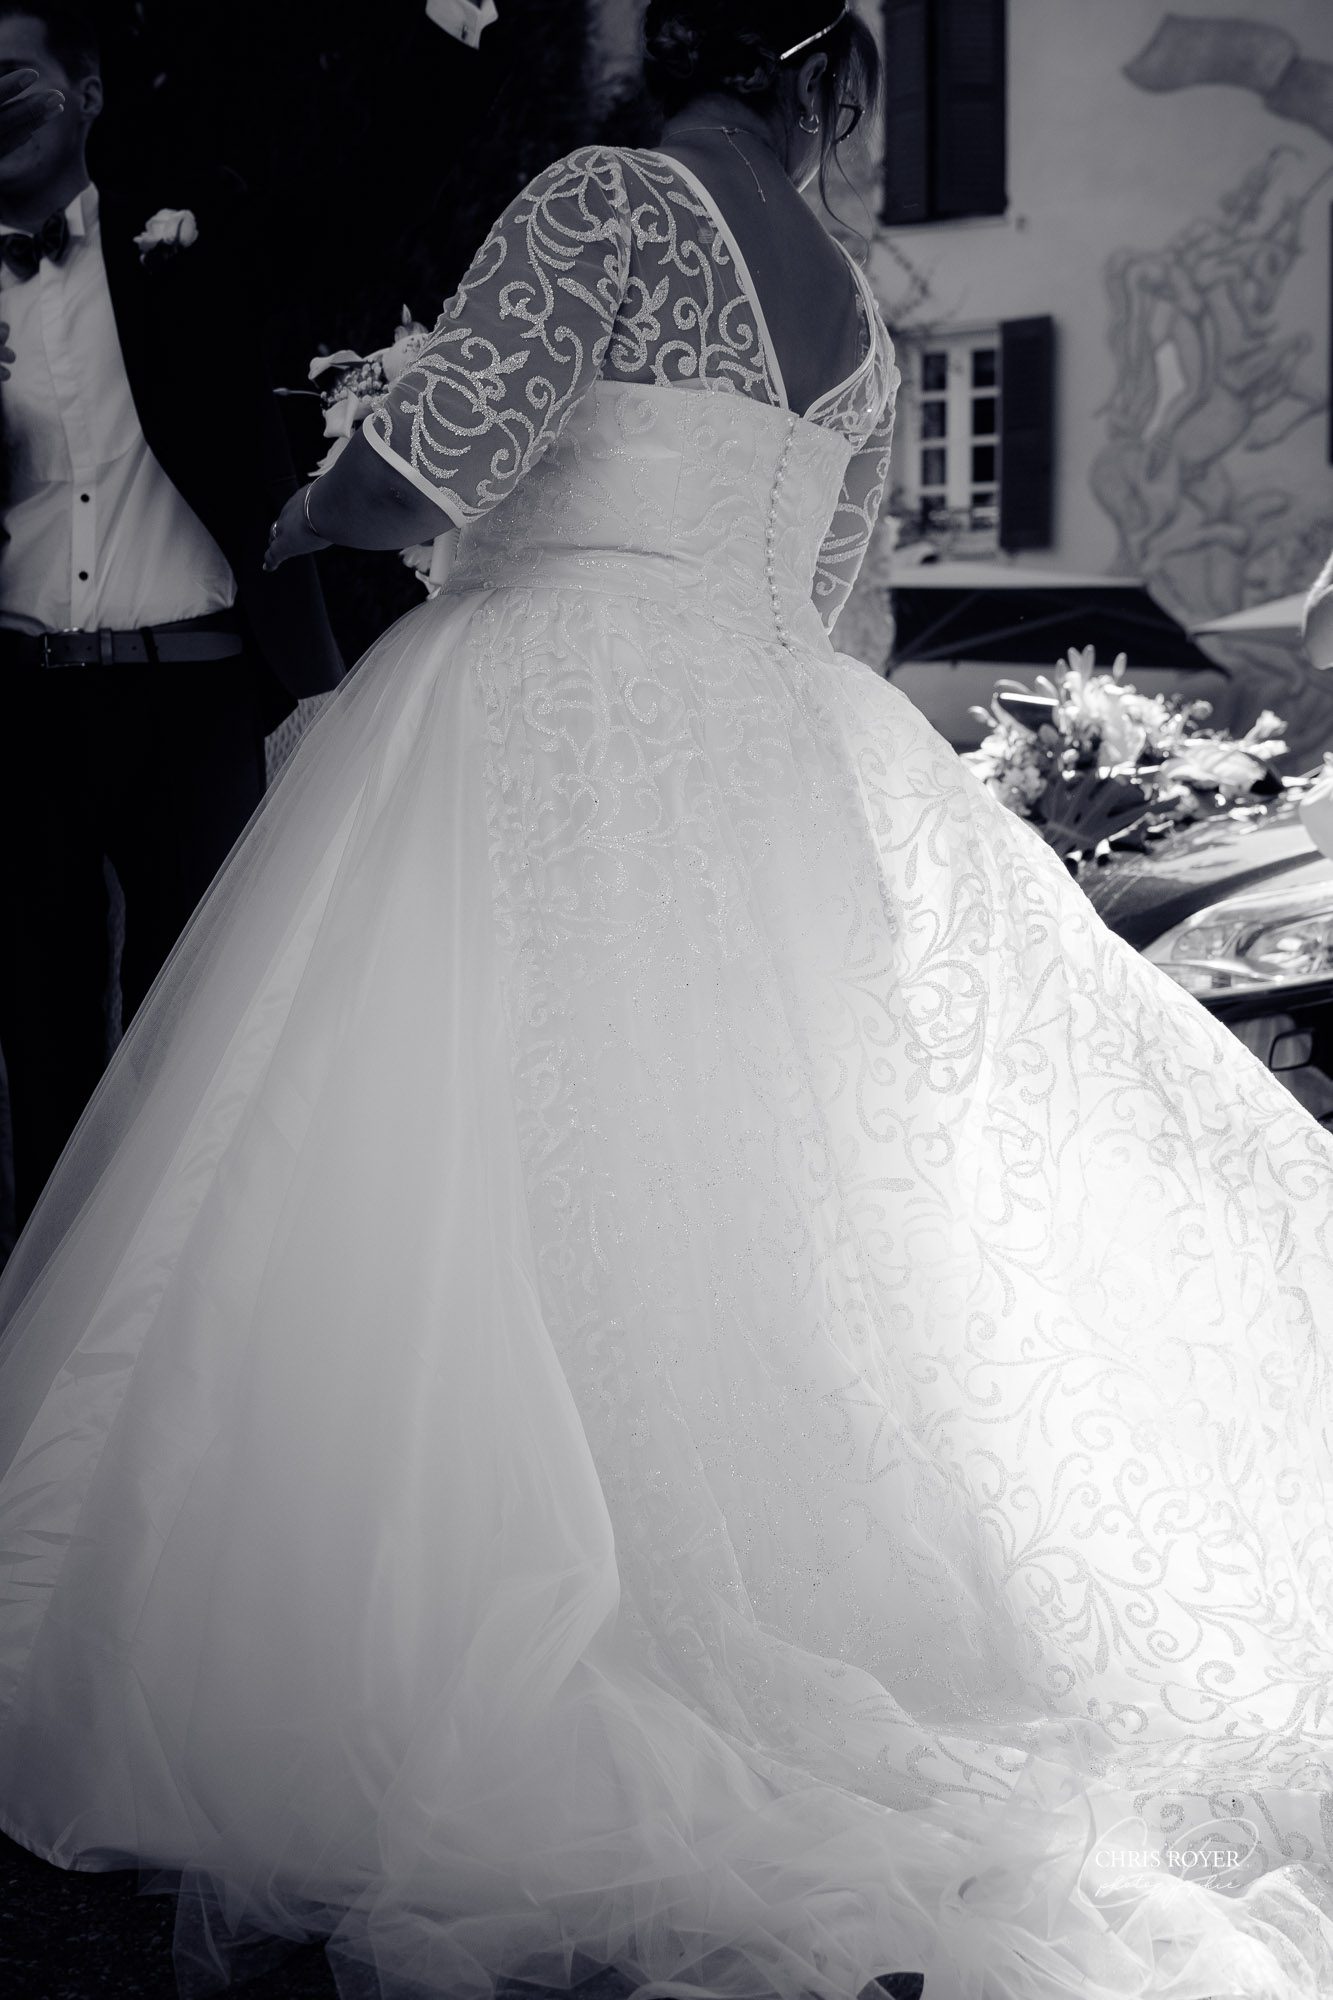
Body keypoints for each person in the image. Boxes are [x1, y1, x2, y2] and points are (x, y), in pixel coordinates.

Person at [1, 4, 1333, 1996]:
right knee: (732, 1189)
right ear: (823, 82)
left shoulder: (609, 203)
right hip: (758, 748)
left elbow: (429, 469)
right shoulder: (860, 322)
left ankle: (449, 1611)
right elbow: (827, 596)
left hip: (544, 705)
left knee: (464, 1148)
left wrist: (312, 518)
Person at [0, 2, 342, 1238]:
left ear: (87, 92)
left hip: (194, 699)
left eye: (14, 76)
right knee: (40, 1042)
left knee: (194, 1036)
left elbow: (347, 203)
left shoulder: (191, 237)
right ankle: (47, 1319)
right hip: (20, 707)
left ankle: (174, 1306)